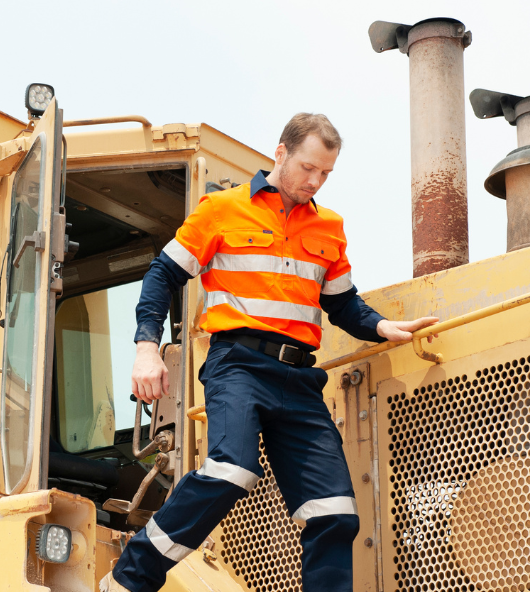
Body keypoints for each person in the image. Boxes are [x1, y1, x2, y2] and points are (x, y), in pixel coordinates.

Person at [100, 113, 439, 592]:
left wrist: (382, 325)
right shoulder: (221, 209)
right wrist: (146, 349)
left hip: (300, 381)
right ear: (280, 153)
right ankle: (128, 581)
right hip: (237, 365)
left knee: (336, 514)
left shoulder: (329, 228)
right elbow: (162, 276)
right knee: (230, 470)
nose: (315, 181)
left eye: (326, 174)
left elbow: (341, 304)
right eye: (307, 168)